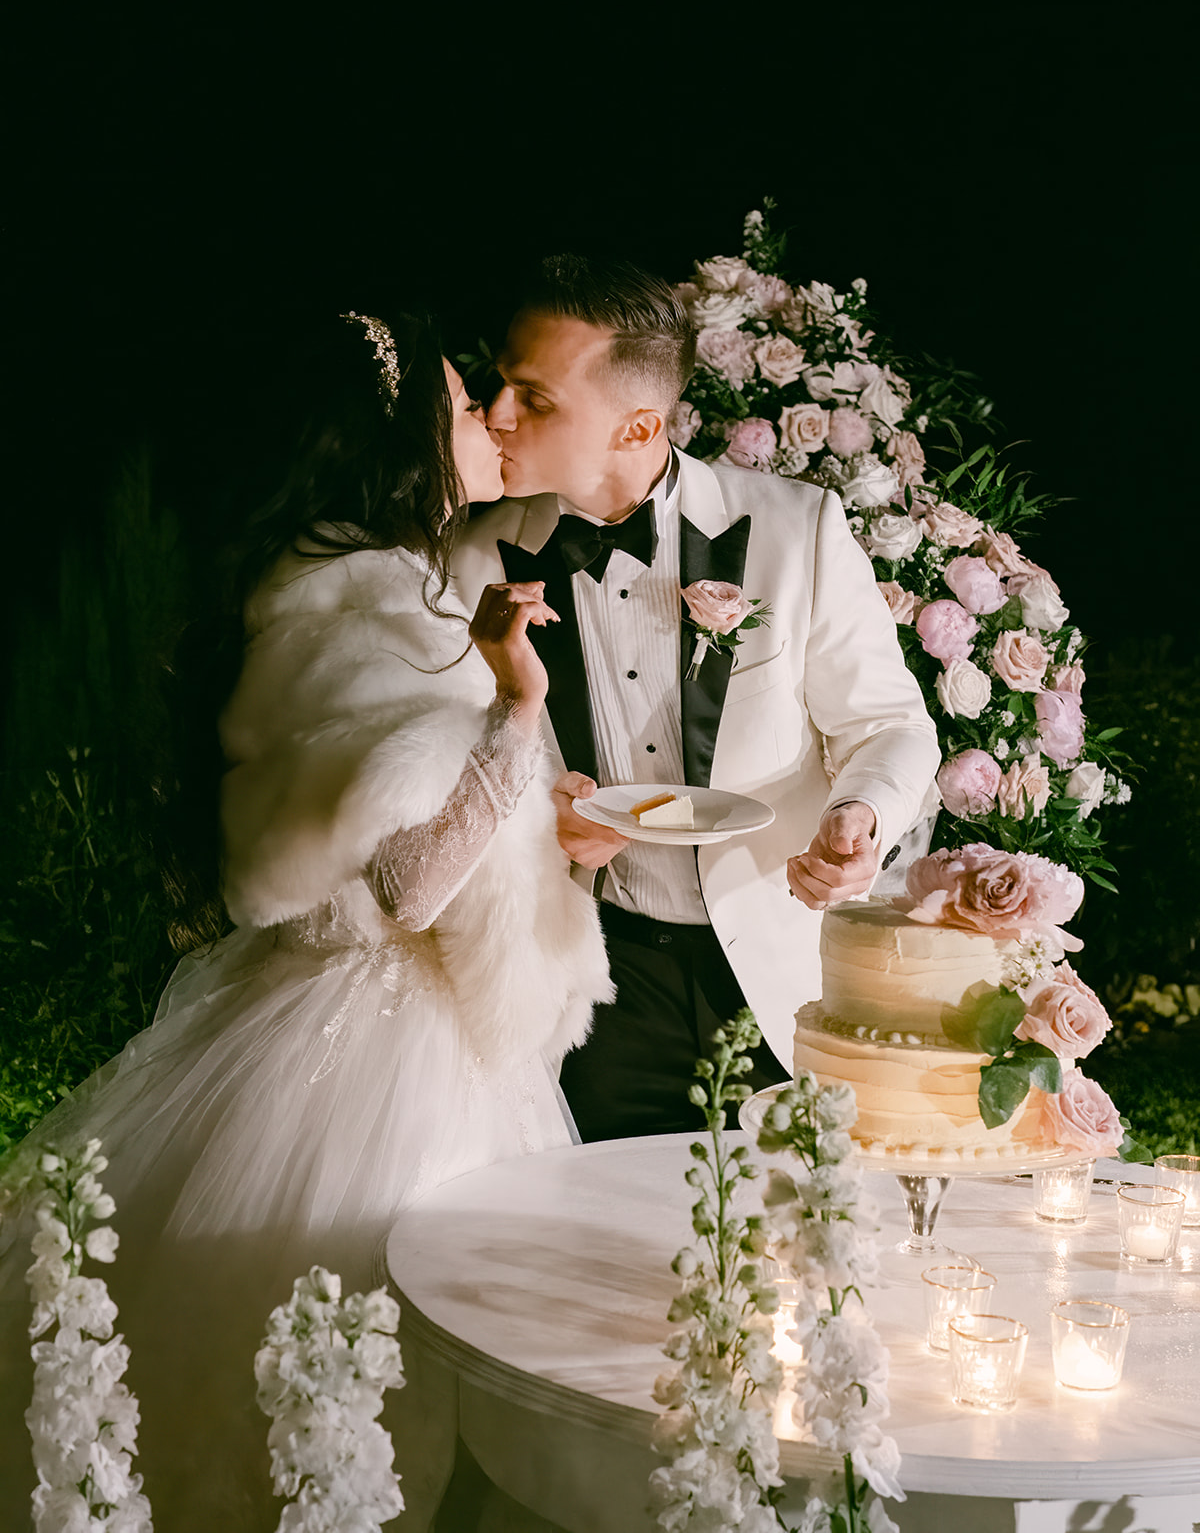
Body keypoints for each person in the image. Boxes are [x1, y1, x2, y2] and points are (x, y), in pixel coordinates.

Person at [0, 311, 612, 1530]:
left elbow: (421, 825)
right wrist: (515, 711)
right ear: (399, 440)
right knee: (351, 1392)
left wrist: (539, 804)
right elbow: (409, 886)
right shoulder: (359, 607)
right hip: (386, 1052)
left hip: (401, 1021)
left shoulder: (378, 585)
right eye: (464, 404)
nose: (491, 420)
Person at [454, 256, 941, 1142]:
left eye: (535, 397)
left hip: (779, 976)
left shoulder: (798, 530)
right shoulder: (471, 558)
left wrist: (863, 814)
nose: (496, 415)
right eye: (498, 385)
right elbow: (443, 771)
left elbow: (890, 725)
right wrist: (540, 825)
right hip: (593, 983)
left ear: (639, 425)